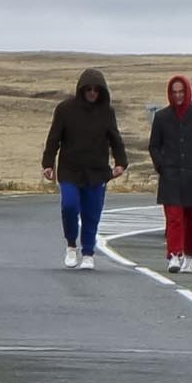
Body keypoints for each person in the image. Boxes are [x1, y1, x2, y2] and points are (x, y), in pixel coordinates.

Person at [41, 68, 128, 269]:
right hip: (70, 170)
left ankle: (88, 252)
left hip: (97, 171)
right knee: (69, 206)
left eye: (96, 90)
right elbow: (54, 138)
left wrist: (121, 163)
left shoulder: (107, 112)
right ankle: (71, 245)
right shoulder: (65, 109)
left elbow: (115, 139)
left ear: (102, 91)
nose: (92, 93)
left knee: (92, 213)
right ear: (81, 89)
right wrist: (47, 164)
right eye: (88, 89)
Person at [148, 74, 192, 273]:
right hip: (170, 176)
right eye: (174, 92)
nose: (178, 96)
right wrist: (161, 165)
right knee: (174, 217)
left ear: (187, 92)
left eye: (181, 92)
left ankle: (189, 255)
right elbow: (154, 146)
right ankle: (174, 255)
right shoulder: (161, 117)